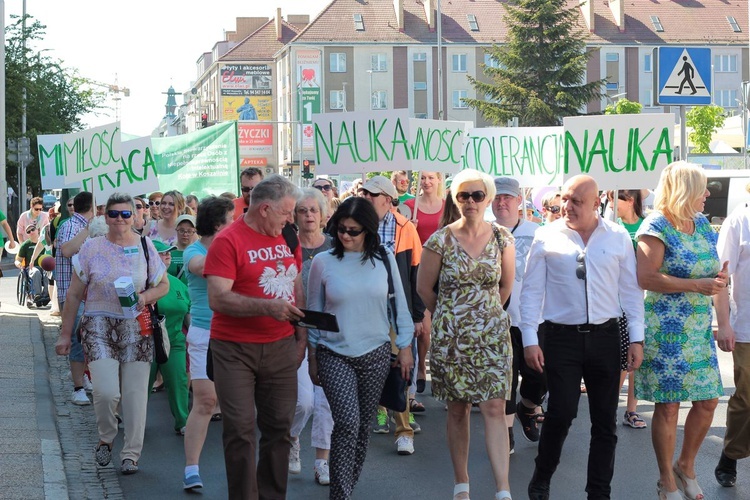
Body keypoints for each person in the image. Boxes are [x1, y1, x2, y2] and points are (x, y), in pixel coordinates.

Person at [520, 174, 645, 500]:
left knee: (605, 422)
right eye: (565, 198)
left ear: (596, 202)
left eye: (576, 200)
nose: (567, 206)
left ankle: (598, 492)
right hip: (561, 338)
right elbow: (531, 292)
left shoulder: (617, 236)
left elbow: (631, 292)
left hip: (606, 337)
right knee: (561, 413)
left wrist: (636, 338)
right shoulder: (546, 236)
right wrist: (529, 339)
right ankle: (542, 475)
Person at [205, 174, 306, 499]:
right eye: (287, 212)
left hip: (280, 346)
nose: (292, 219)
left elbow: (296, 282)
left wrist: (301, 337)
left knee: (280, 429)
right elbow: (218, 298)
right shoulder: (228, 241)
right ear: (264, 209)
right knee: (241, 429)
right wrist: (268, 308)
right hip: (234, 349)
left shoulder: (287, 235)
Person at [416, 168, 515, 500]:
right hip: (451, 338)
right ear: (455, 199)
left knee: (494, 408)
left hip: (492, 338)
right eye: (463, 195)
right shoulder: (440, 239)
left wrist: (483, 316)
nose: (470, 201)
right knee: (458, 408)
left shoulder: (503, 238)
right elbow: (424, 288)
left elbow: (505, 287)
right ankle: (462, 484)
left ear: (487, 198)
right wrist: (451, 313)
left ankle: (503, 488)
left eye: (476, 195)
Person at [307, 196, 414, 499]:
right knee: (347, 422)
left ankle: (345, 489)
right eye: (341, 229)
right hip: (333, 354)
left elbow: (400, 306)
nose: (345, 236)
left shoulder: (384, 258)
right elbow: (315, 315)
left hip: (376, 352)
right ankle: (339, 495)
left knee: (363, 426)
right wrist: (313, 356)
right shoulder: (322, 262)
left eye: (353, 230)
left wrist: (405, 346)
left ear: (368, 230)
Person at [54, 192, 169, 475]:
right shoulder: (91, 248)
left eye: (125, 214)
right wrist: (65, 335)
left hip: (137, 326)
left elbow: (163, 285)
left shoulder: (145, 246)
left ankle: (131, 454)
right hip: (98, 326)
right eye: (114, 214)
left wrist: (145, 298)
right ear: (105, 218)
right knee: (106, 392)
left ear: (135, 217)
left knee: (134, 395)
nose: (119, 219)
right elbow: (74, 295)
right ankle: (107, 436)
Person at [635, 162, 725, 500]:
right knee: (669, 406)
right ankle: (666, 480)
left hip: (699, 327)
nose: (706, 194)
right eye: (702, 188)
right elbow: (645, 277)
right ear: (685, 189)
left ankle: (685, 465)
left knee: (708, 400)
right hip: (665, 328)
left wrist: (717, 281)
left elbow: (708, 270)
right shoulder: (655, 225)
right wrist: (695, 284)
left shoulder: (702, 224)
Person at [358, 175, 425, 453]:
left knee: (399, 367)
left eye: (372, 195)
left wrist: (418, 314)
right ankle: (378, 413)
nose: (367, 199)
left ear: (388, 200)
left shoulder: (405, 227)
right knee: (370, 366)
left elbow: (416, 271)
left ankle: (404, 430)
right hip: (365, 309)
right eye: (365, 194)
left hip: (396, 309)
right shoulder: (357, 224)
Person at [182, 195, 235, 491]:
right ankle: (191, 468)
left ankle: (243, 470)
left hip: (237, 332)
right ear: (218, 224)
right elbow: (205, 267)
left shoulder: (235, 245)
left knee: (240, 406)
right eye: (231, 220)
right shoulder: (193, 250)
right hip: (205, 331)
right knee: (205, 401)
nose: (237, 224)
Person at [491, 177, 546, 451]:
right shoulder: (483, 233)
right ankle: (507, 432)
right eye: (497, 197)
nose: (502, 202)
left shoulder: (537, 232)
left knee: (541, 377)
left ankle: (528, 407)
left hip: (535, 319)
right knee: (505, 380)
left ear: (518, 201)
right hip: (500, 320)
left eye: (507, 197)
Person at [289, 188, 334, 485]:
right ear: (295, 217)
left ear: (323, 215)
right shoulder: (286, 246)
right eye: (302, 211)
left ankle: (322, 462)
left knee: (326, 402)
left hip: (330, 333)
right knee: (304, 402)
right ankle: (291, 436)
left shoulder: (335, 247)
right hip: (296, 332)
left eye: (313, 211)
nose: (308, 216)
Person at [714, 191, 750, 488]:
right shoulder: (739, 221)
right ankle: (731, 454)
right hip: (748, 329)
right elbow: (720, 278)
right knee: (747, 399)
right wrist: (724, 324)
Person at [609, 189, 647, 430]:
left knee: (636, 359)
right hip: (616, 303)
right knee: (622, 360)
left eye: (615, 199)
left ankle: (631, 410)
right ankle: (610, 408)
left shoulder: (647, 226)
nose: (611, 204)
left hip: (641, 301)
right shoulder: (612, 228)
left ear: (629, 200)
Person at [55, 192, 96, 405]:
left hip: (87, 294)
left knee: (88, 340)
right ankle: (78, 387)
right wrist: (89, 230)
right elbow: (67, 250)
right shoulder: (73, 226)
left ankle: (85, 378)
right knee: (77, 341)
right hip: (73, 294)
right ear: (93, 206)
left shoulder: (83, 225)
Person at [148, 240, 191, 436]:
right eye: (161, 253)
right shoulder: (142, 282)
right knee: (139, 388)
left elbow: (187, 314)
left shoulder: (179, 284)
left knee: (179, 380)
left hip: (174, 342)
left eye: (168, 254)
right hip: (147, 343)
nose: (166, 257)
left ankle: (183, 422)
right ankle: (132, 422)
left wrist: (195, 339)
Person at [404, 171, 446, 245]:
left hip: (442, 255)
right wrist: (409, 229)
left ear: (439, 179)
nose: (426, 182)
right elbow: (401, 237)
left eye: (431, 178)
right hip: (417, 254)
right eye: (423, 178)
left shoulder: (448, 206)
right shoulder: (409, 205)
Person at [14, 223, 50, 305]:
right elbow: (18, 259)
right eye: (28, 231)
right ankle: (37, 295)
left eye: (32, 230)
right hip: (31, 268)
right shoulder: (26, 245)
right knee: (36, 272)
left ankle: (46, 294)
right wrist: (19, 264)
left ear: (38, 230)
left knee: (47, 272)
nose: (31, 232)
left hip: (44, 266)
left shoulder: (44, 241)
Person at [169, 214, 197, 284]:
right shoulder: (168, 252)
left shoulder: (197, 254)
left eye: (189, 231)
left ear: (194, 232)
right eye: (182, 230)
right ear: (176, 230)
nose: (185, 234)